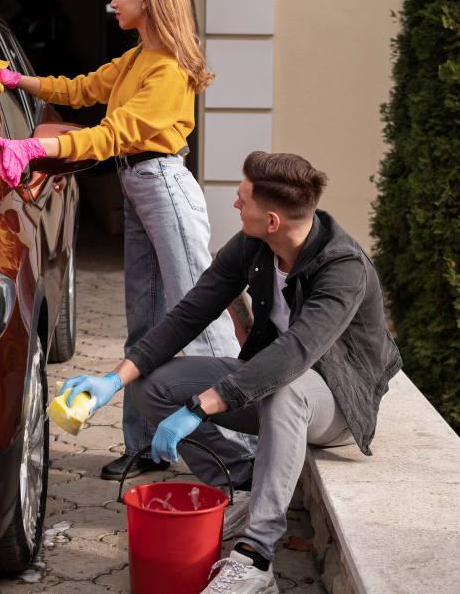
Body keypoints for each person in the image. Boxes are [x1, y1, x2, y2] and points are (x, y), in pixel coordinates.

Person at [61, 151, 403, 594]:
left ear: (273, 221)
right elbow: (190, 313)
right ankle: (243, 484)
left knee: (286, 389)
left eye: (244, 199)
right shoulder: (254, 245)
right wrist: (113, 379)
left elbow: (294, 354)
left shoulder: (343, 267)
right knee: (152, 385)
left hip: (335, 402)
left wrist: (199, 407)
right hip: (272, 384)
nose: (236, 204)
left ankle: (254, 558)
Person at [0, 0, 247, 480]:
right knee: (144, 322)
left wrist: (36, 149)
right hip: (138, 186)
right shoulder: (136, 59)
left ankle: (245, 447)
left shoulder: (168, 70)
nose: (113, 1)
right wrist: (14, 79)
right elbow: (80, 89)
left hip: (164, 187)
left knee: (203, 320)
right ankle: (145, 446)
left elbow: (113, 134)